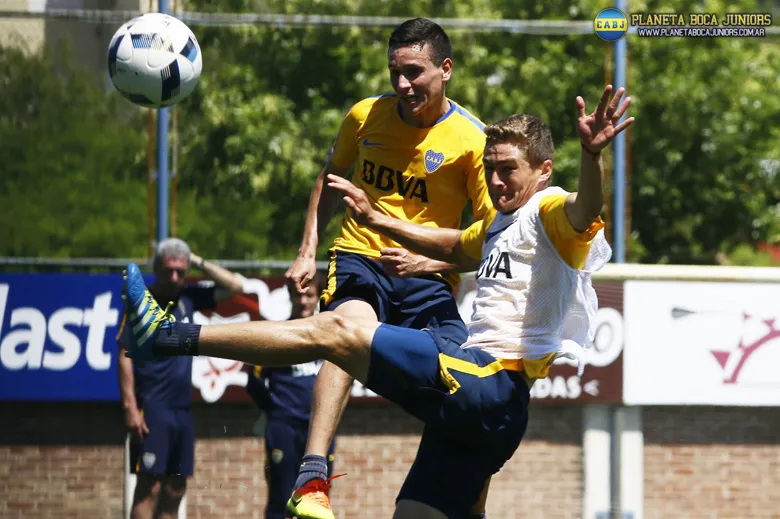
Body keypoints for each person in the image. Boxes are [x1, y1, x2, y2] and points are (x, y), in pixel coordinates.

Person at [120, 84, 633, 519]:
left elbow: (584, 207)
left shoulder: (547, 208)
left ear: (543, 170)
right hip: (478, 416)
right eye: (491, 167)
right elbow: (457, 245)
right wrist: (378, 219)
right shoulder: (501, 222)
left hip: (490, 382)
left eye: (510, 169)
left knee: (338, 332)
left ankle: (164, 337)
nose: (497, 180)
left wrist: (592, 157)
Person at [283, 16, 493, 519]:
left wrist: (427, 260)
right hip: (360, 255)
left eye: (414, 72)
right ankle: (312, 477)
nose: (403, 85)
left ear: (445, 70)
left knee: (473, 387)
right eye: (395, 72)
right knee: (345, 331)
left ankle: (473, 507)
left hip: (427, 276)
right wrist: (306, 249)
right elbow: (329, 179)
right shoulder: (364, 116)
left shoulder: (474, 140)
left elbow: (486, 234)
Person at [117, 238, 244, 519]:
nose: (174, 277)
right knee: (149, 486)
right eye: (168, 270)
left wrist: (197, 260)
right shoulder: (141, 302)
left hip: (181, 409)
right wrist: (129, 407)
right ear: (156, 269)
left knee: (176, 487)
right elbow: (124, 355)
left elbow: (235, 287)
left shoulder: (188, 297)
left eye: (181, 271)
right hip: (151, 408)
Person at [244, 273, 337, 519]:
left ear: (318, 298)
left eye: (309, 295)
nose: (304, 301)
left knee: (316, 501)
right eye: (299, 295)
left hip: (320, 430)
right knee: (281, 498)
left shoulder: (330, 339)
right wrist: (276, 409)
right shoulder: (277, 335)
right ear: (290, 297)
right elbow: (253, 381)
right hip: (283, 428)